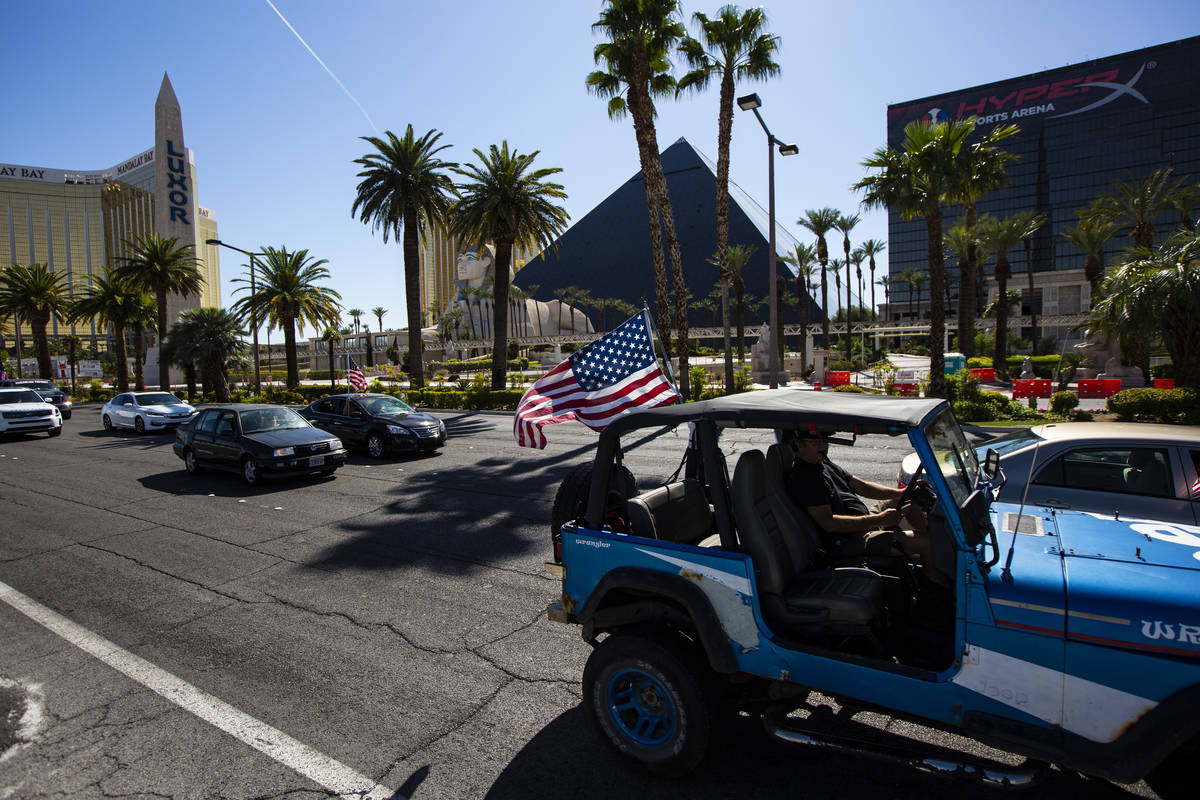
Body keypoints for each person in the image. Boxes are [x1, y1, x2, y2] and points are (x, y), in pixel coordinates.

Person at [782, 428, 948, 586]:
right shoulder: (805, 479)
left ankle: (937, 557)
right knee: (926, 542)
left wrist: (902, 492)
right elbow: (829, 523)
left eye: (824, 441)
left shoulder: (822, 463)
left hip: (864, 522)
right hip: (849, 541)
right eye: (814, 442)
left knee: (910, 502)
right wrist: (879, 519)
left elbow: (862, 487)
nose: (822, 446)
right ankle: (938, 584)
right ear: (798, 444)